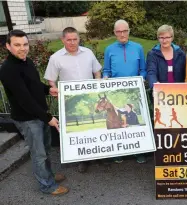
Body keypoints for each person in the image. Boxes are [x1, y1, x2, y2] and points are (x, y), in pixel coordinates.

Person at [0, 30, 68, 195]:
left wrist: (47, 90)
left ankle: (49, 175)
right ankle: (47, 185)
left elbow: (34, 86)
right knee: (39, 154)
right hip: (28, 119)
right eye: (17, 45)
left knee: (45, 149)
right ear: (8, 46)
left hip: (39, 115)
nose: (22, 48)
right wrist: (48, 117)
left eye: (25, 44)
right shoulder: (8, 69)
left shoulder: (26, 61)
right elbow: (25, 100)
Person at [44, 27, 102, 173]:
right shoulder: (56, 58)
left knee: (94, 126)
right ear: (63, 40)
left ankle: (98, 153)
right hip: (71, 102)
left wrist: (99, 86)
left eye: (75, 39)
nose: (72, 42)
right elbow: (51, 80)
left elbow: (97, 71)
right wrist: (56, 91)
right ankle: (82, 160)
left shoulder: (88, 53)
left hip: (91, 99)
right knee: (77, 130)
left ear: (79, 39)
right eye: (68, 39)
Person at [103, 19, 147, 164]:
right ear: (115, 33)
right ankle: (118, 152)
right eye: (119, 31)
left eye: (124, 31)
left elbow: (143, 69)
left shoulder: (138, 47)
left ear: (129, 31)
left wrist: (141, 79)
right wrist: (105, 78)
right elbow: (107, 70)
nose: (122, 34)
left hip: (134, 90)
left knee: (133, 121)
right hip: (116, 91)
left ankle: (138, 151)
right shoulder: (109, 49)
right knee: (118, 123)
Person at [146, 25, 186, 89]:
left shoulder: (180, 54)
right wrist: (155, 84)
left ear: (172, 38)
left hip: (179, 92)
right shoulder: (152, 54)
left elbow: (186, 73)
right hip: (161, 92)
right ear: (158, 38)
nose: (164, 41)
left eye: (167, 37)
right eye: (161, 38)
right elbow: (151, 72)